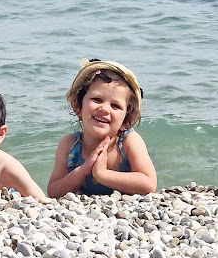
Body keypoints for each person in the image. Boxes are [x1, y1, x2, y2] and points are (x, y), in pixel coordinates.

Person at [47, 59, 157, 198]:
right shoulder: (70, 144)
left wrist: (102, 174)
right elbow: (53, 192)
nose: (105, 109)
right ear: (78, 106)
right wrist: (82, 171)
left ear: (126, 120)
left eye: (115, 106)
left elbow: (149, 184)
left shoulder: (128, 141)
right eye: (97, 100)